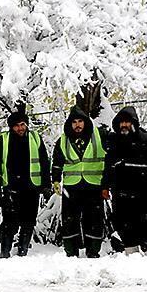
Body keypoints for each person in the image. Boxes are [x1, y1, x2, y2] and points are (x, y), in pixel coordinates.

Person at [103, 106, 147, 254]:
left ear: (133, 123)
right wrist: (104, 186)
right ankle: (131, 255)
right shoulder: (114, 141)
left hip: (141, 191)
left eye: (127, 122)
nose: (124, 125)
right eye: (122, 122)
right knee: (123, 224)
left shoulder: (146, 140)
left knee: (144, 224)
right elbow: (108, 166)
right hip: (120, 192)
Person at [0, 107, 51, 257]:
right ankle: (5, 252)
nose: (20, 128)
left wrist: (46, 185)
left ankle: (23, 251)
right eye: (16, 125)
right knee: (9, 222)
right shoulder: (3, 141)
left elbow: (44, 162)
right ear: (11, 127)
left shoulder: (35, 138)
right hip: (11, 188)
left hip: (32, 187)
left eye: (23, 124)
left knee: (29, 222)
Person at [51, 107, 108, 258]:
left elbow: (110, 157)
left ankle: (93, 251)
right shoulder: (63, 139)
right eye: (74, 122)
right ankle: (71, 252)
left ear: (86, 122)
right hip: (72, 186)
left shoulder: (100, 135)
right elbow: (57, 161)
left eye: (80, 121)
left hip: (94, 185)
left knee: (94, 219)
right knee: (69, 221)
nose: (77, 125)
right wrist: (55, 179)